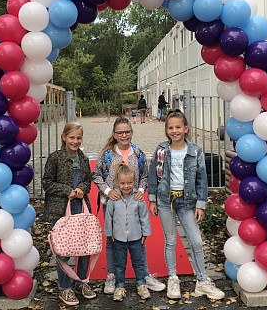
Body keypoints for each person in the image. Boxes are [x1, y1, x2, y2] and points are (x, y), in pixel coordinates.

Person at [148, 109, 225, 300]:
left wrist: (201, 204)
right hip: (165, 201)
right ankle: (173, 278)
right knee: (171, 241)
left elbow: (201, 180)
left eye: (178, 127)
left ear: (186, 128)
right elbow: (152, 176)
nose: (174, 131)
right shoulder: (161, 150)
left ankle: (202, 281)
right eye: (170, 127)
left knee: (197, 241)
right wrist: (152, 199)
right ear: (166, 130)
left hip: (186, 202)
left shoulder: (195, 151)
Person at [92, 116, 166, 294]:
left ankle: (144, 275)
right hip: (112, 203)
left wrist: (141, 189)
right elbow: (96, 175)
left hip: (134, 203)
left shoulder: (138, 154)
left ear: (132, 132)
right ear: (114, 134)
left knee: (138, 239)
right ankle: (112, 276)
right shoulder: (108, 154)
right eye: (120, 132)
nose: (124, 135)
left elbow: (145, 176)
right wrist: (109, 191)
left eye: (127, 132)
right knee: (112, 239)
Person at [43, 122, 97, 306]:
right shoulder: (55, 158)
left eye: (78, 138)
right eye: (72, 137)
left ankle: (81, 281)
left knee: (84, 248)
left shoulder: (83, 158)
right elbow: (47, 183)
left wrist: (81, 188)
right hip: (60, 210)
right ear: (64, 137)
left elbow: (88, 181)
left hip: (80, 209)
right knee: (63, 250)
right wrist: (67, 190)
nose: (75, 141)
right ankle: (65, 288)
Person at [104, 161, 152, 301]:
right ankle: (120, 286)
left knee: (138, 262)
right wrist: (110, 233)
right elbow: (109, 217)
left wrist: (145, 233)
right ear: (118, 183)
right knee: (119, 264)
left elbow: (144, 217)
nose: (126, 186)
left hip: (136, 237)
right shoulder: (114, 199)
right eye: (123, 183)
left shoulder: (138, 198)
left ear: (134, 182)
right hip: (119, 238)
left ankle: (141, 284)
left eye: (130, 183)